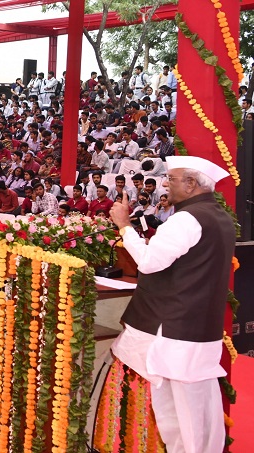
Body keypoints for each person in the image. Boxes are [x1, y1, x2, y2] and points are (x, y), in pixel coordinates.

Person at [106, 156, 235, 453]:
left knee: (184, 416)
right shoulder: (220, 216)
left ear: (191, 184)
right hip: (197, 329)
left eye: (172, 179)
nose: (165, 183)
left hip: (177, 330)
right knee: (192, 413)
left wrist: (125, 226)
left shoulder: (187, 219)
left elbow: (150, 262)